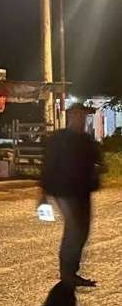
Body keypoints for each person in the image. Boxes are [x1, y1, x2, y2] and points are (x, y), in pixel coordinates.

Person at [39, 101, 103, 287]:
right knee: (74, 229)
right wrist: (43, 194)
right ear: (70, 117)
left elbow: (98, 162)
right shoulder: (59, 139)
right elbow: (48, 167)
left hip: (83, 191)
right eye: (76, 115)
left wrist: (98, 171)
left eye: (82, 116)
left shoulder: (87, 140)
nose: (80, 119)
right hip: (64, 192)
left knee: (82, 231)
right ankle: (66, 272)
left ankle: (72, 271)